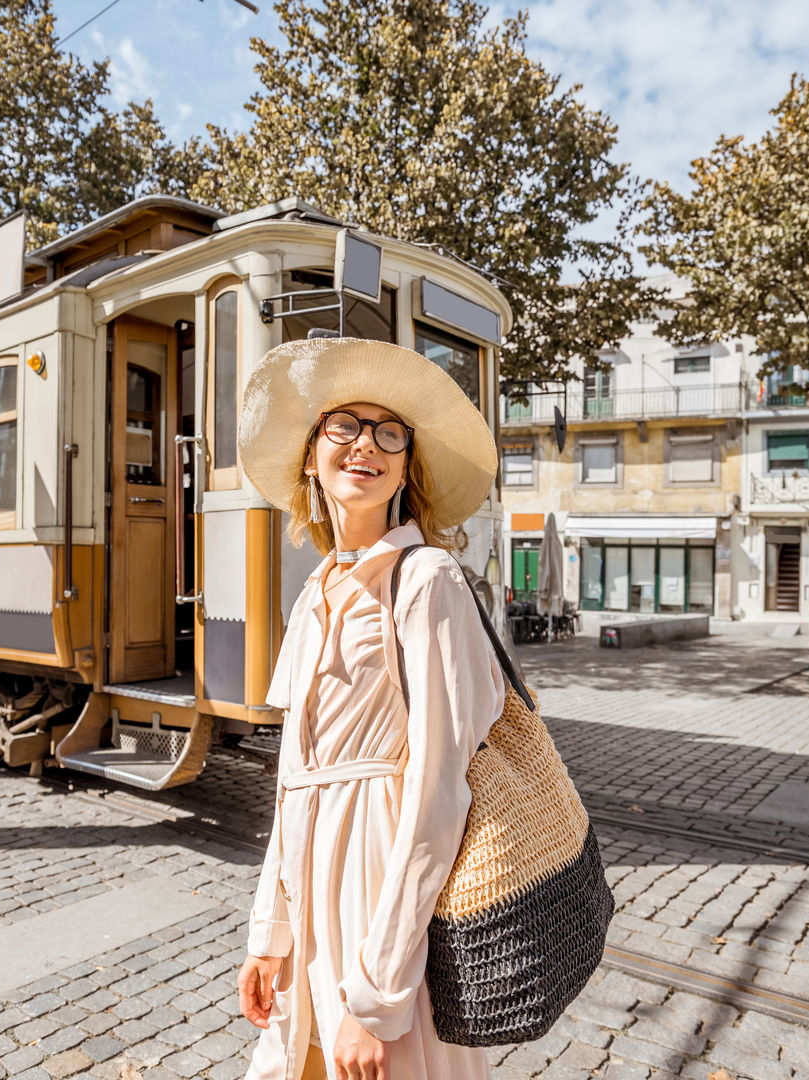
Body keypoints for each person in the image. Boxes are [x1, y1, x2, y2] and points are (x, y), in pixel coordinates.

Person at [235, 336, 506, 1080]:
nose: (366, 444)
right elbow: (295, 783)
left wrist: (381, 992)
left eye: (390, 432)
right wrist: (272, 931)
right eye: (344, 426)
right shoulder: (316, 592)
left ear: (406, 465)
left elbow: (437, 794)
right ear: (311, 454)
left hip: (383, 901)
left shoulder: (428, 582)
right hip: (312, 899)